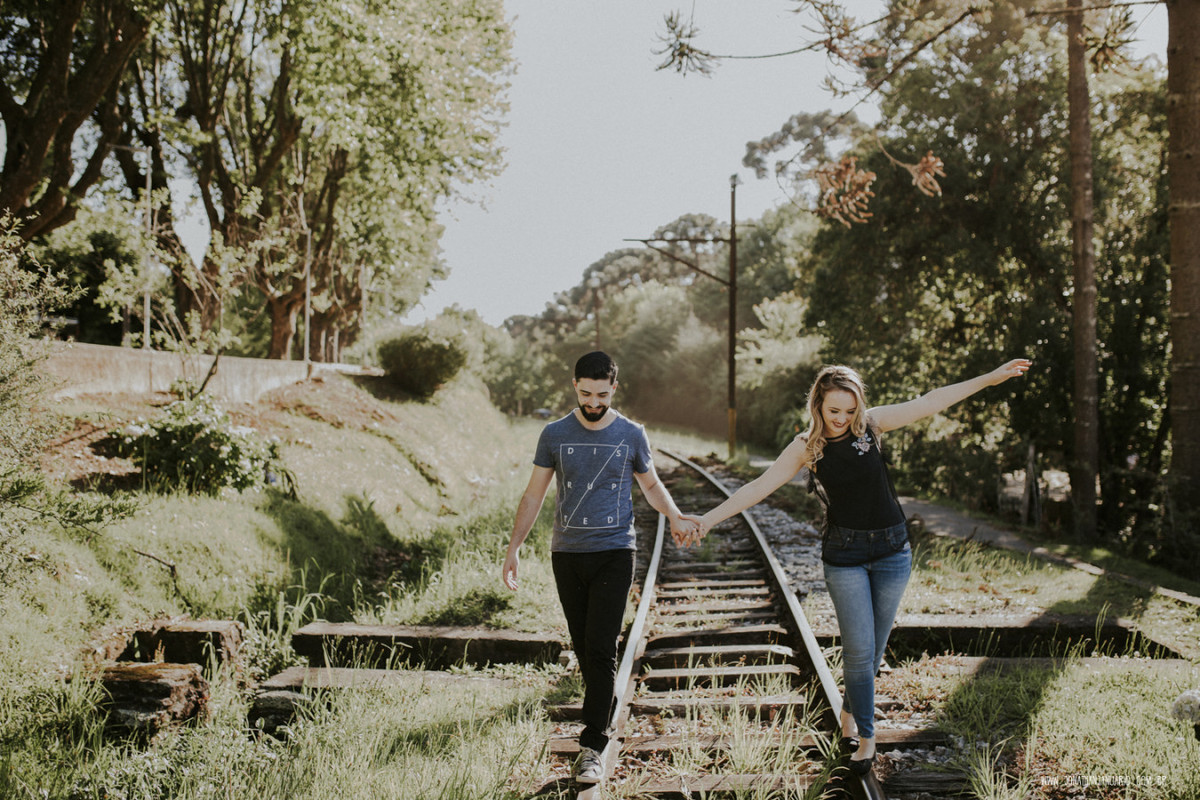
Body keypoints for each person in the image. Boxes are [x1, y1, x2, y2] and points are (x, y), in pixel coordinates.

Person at [692, 358, 1031, 774]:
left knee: (870, 655)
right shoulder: (807, 446)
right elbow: (758, 488)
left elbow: (932, 401)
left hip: (893, 553)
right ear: (817, 404)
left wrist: (991, 376)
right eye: (833, 411)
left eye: (849, 410)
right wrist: (708, 519)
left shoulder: (872, 426)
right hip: (845, 557)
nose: (841, 419)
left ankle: (850, 713)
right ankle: (866, 740)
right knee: (858, 652)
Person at [501, 351, 700, 785]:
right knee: (584, 648)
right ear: (575, 385)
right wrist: (514, 547)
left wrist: (676, 516)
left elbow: (650, 483)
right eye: (587, 393)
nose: (594, 402)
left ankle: (592, 746)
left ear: (615, 388)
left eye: (602, 394)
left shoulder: (631, 434)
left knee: (600, 646)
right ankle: (599, 714)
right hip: (567, 555)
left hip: (615, 551)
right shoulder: (554, 434)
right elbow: (534, 494)